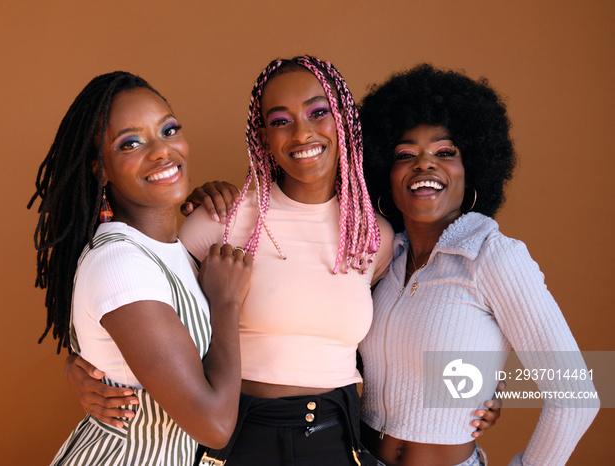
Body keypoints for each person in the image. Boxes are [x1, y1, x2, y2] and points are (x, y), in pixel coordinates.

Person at [63, 57, 500, 465]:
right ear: (262, 136)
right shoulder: (222, 220)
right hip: (237, 436)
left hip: (335, 433)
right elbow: (143, 299)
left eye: (318, 112)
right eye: (279, 121)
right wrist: (84, 366)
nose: (302, 133)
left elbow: (394, 335)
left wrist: (472, 386)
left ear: (345, 121)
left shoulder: (374, 235)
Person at [358, 64, 599, 466]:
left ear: (472, 173)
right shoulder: (381, 255)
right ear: (386, 173)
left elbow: (576, 395)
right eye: (405, 154)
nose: (424, 164)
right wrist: (477, 384)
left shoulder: (493, 256)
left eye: (445, 152)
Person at [28, 71, 252, 466]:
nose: (162, 151)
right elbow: (214, 425)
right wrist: (226, 303)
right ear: (101, 168)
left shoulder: (171, 251)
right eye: (130, 142)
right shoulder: (121, 263)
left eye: (168, 130)